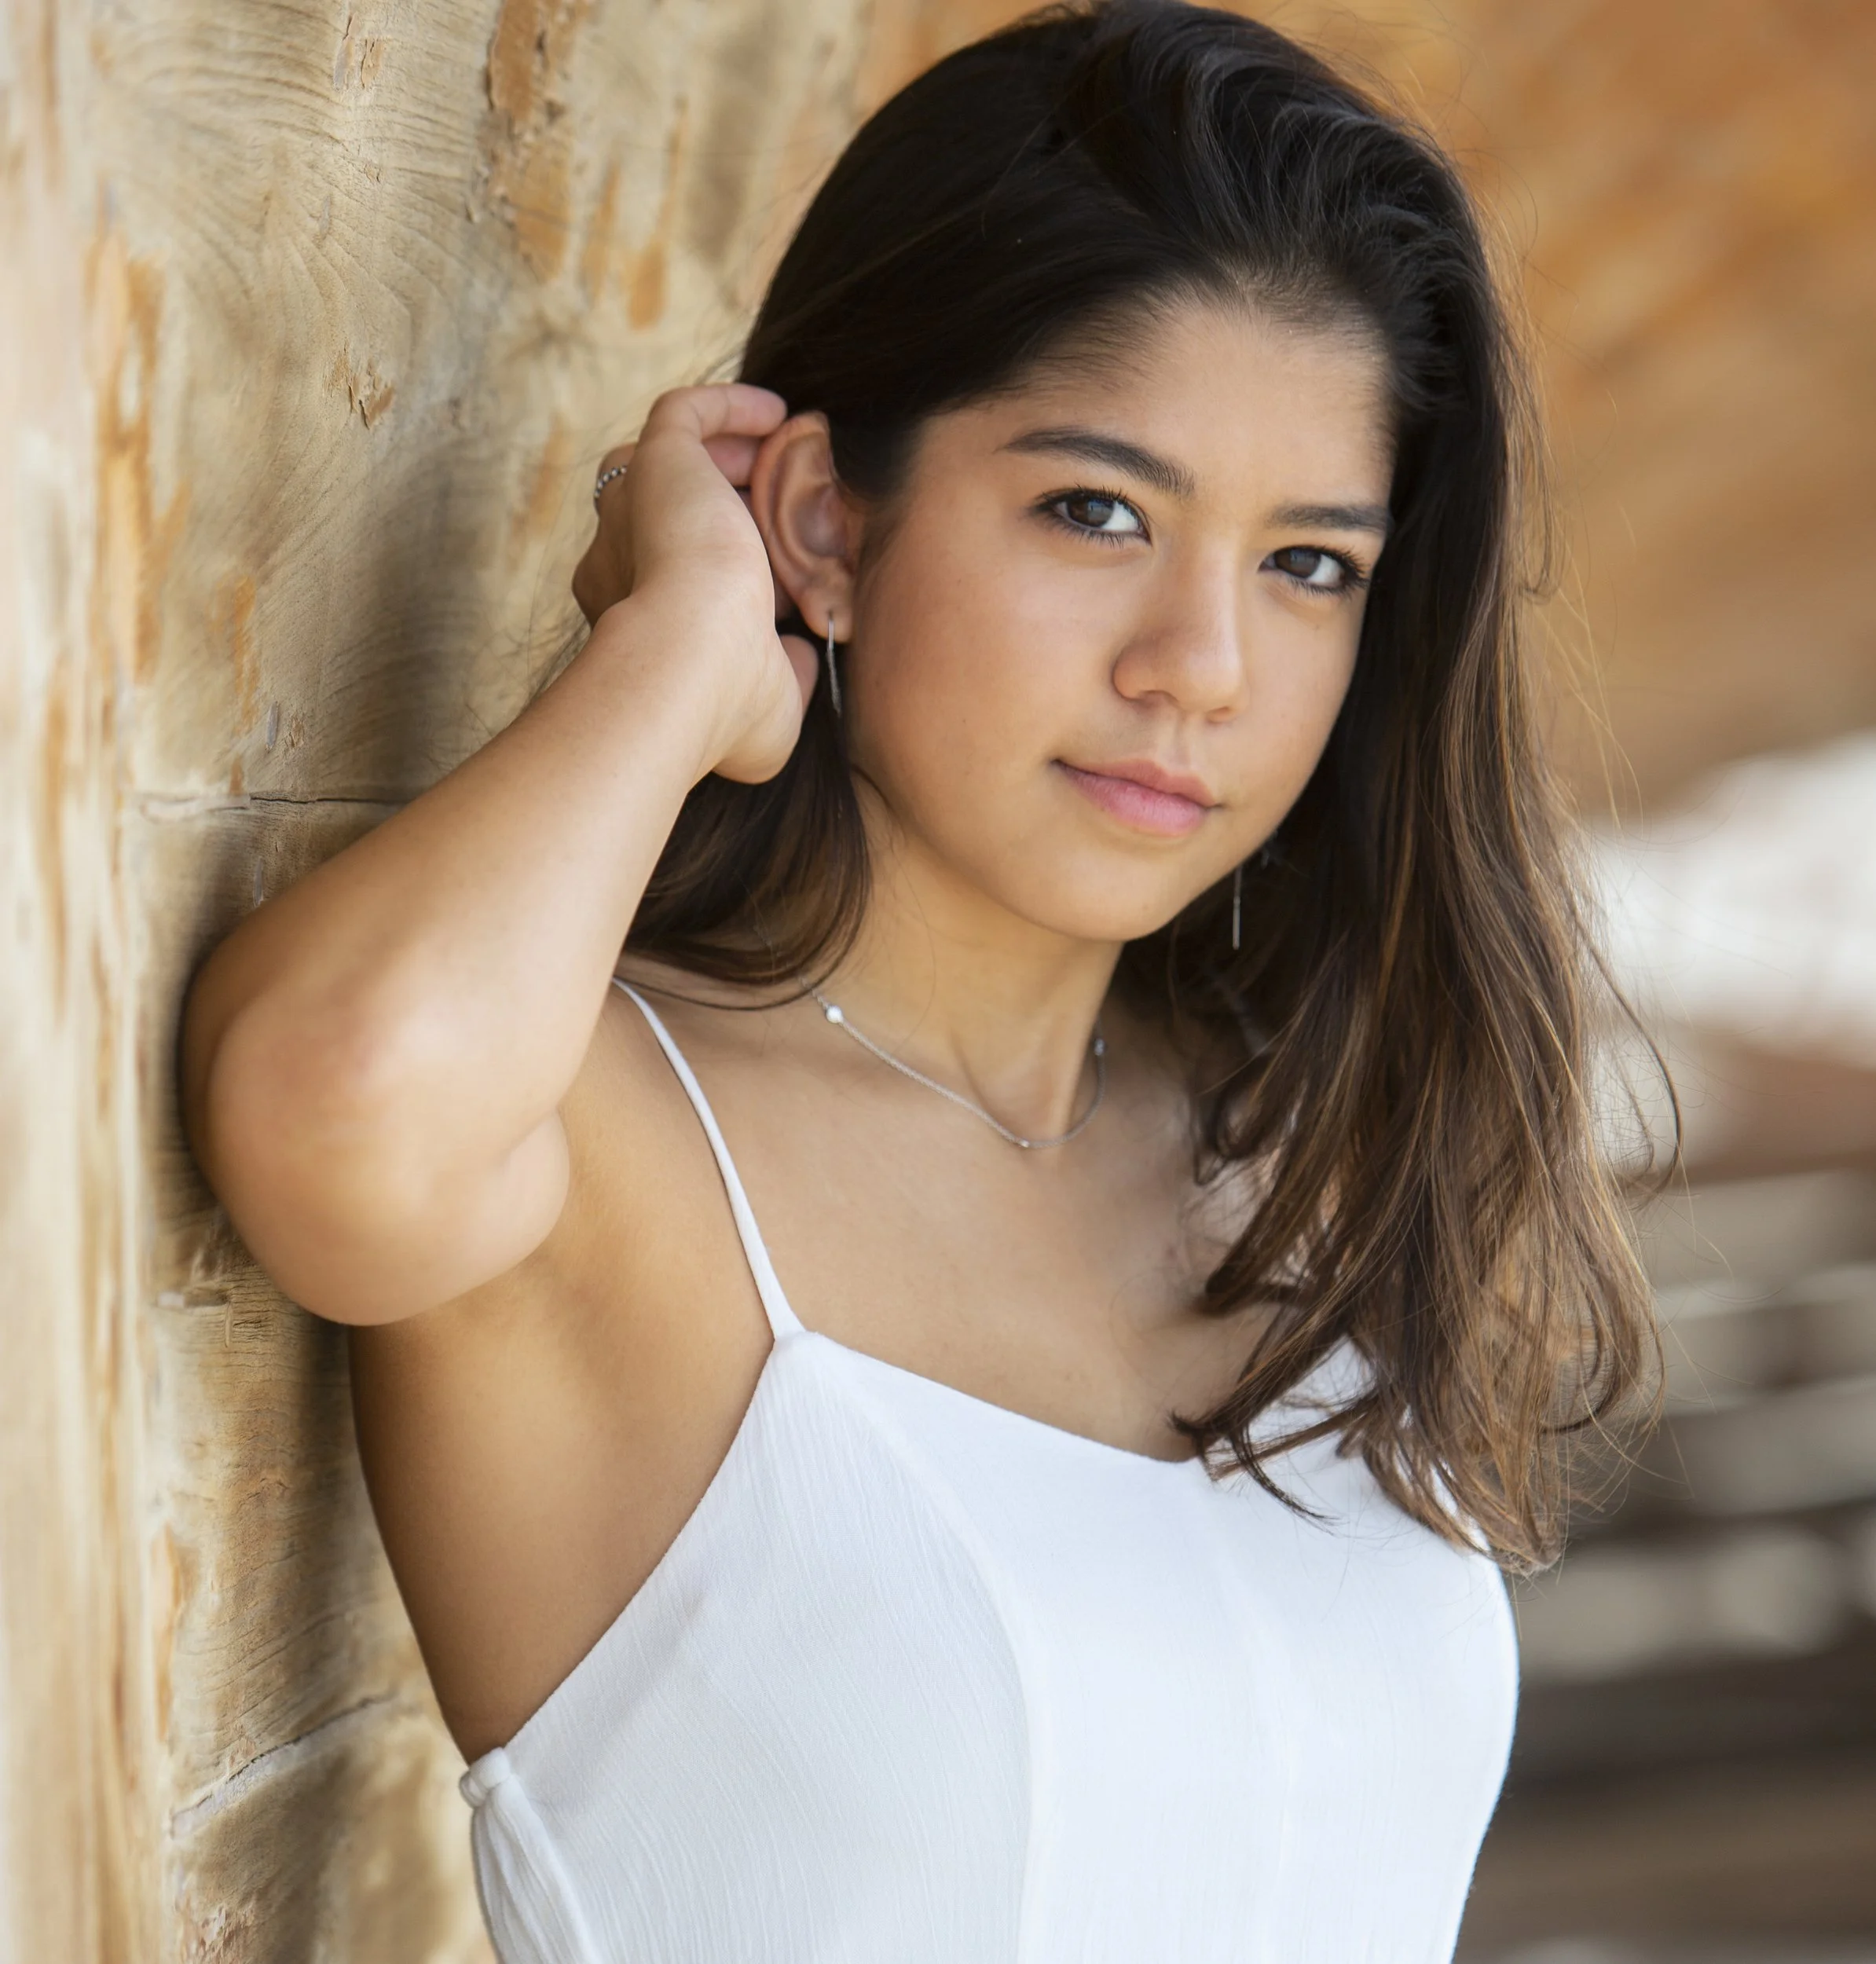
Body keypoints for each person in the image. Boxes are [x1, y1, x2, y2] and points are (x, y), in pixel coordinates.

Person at [181, 2, 1655, 1957]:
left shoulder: (1291, 1137)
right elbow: (334, 1101)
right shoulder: (606, 1144)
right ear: (824, 520)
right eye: (1096, 510)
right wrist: (677, 656)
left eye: (1308, 563)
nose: (1197, 661)